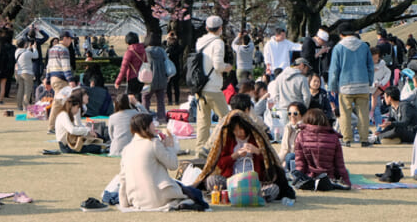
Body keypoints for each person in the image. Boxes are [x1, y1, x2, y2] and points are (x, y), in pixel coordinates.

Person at [193, 110, 295, 203]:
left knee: (273, 189)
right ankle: (244, 196)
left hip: (253, 182)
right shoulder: (229, 140)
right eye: (235, 130)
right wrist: (234, 155)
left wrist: (257, 152)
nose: (238, 133)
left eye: (241, 129)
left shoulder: (256, 139)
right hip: (231, 181)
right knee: (212, 180)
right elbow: (220, 163)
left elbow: (269, 162)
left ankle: (241, 197)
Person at [119, 113, 206, 211]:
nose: (154, 126)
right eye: (152, 123)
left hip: (136, 200)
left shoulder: (126, 149)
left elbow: (123, 179)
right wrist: (169, 147)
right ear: (146, 127)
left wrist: (124, 204)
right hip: (158, 198)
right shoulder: (154, 143)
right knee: (195, 194)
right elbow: (173, 165)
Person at [328, 23, 373, 146]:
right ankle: (364, 139)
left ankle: (347, 139)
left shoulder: (338, 48)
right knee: (363, 112)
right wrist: (369, 81)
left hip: (345, 85)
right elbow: (370, 66)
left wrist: (332, 86)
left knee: (345, 113)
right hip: (363, 83)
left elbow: (334, 70)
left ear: (341, 34)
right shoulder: (364, 46)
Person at [193, 15, 232, 156]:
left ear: (206, 28)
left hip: (200, 86)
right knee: (227, 119)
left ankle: (200, 151)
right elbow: (217, 65)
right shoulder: (218, 43)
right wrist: (227, 67)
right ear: (220, 28)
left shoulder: (200, 41)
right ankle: (211, 147)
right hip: (213, 87)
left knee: (203, 122)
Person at [293, 108, 351, 188]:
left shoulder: (301, 135)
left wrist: (297, 178)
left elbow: (300, 163)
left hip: (309, 175)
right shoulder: (334, 137)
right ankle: (326, 181)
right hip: (329, 175)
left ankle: (312, 182)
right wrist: (347, 182)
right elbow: (339, 164)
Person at [275, 58, 312, 141]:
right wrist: (303, 109)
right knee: (298, 137)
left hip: (283, 110)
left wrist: (280, 104)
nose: (307, 71)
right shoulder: (302, 78)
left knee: (286, 137)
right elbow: (307, 96)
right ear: (302, 65)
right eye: (307, 68)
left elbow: (276, 95)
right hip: (297, 110)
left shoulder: (279, 77)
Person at [114, 31, 147, 104]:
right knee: (138, 98)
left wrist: (118, 81)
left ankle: (132, 113)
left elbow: (123, 68)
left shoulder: (129, 52)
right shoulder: (143, 51)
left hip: (132, 77)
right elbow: (146, 63)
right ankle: (139, 112)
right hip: (142, 77)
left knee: (129, 98)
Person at [142, 35, 170, 121]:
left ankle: (145, 117)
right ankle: (161, 118)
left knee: (145, 98)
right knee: (160, 100)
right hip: (162, 79)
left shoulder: (146, 51)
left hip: (148, 80)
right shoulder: (162, 51)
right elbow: (167, 63)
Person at [278, 101, 308, 170]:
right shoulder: (288, 128)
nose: (292, 116)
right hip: (288, 161)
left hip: (301, 161)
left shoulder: (306, 129)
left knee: (290, 156)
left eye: (295, 113)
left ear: (302, 114)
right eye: (289, 113)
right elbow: (284, 150)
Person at [14, 38, 37, 111]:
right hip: (27, 73)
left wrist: (29, 48)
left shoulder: (17, 51)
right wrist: (34, 48)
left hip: (19, 73)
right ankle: (25, 106)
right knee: (27, 90)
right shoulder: (28, 53)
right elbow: (36, 55)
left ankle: (19, 106)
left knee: (20, 90)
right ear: (24, 44)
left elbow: (25, 52)